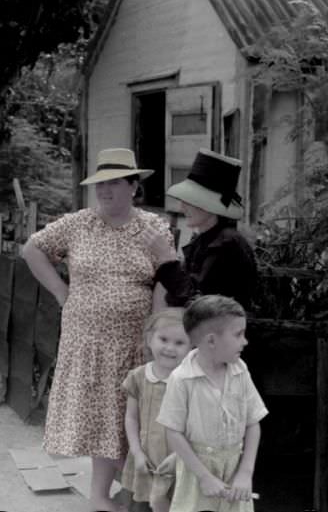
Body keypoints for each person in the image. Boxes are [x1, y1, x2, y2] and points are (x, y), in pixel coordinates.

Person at [21, 147, 174, 512]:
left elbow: (165, 280)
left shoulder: (154, 228)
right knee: (101, 419)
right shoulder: (77, 223)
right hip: (86, 342)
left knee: (127, 418)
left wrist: (155, 330)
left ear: (134, 187)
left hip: (132, 342)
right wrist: (61, 292)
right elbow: (31, 249)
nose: (104, 192)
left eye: (114, 184)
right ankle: (101, 496)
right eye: (99, 185)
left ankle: (138, 493)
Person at [156, 295, 267, 512]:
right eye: (238, 334)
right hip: (196, 474)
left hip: (235, 473)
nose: (245, 341)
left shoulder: (240, 370)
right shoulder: (182, 379)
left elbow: (253, 423)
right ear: (211, 341)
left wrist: (245, 473)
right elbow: (173, 432)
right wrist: (204, 477)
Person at [147, 149, 257, 309]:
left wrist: (167, 258)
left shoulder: (226, 244)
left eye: (190, 200)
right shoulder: (205, 240)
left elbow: (197, 302)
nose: (182, 207)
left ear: (209, 206)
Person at [121, 308, 190, 512]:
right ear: (150, 339)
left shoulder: (191, 382)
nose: (170, 348)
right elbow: (131, 418)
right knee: (141, 505)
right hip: (145, 459)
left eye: (179, 343)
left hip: (179, 461)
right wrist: (136, 452)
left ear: (192, 346)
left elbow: (196, 427)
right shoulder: (138, 377)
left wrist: (178, 457)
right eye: (163, 339)